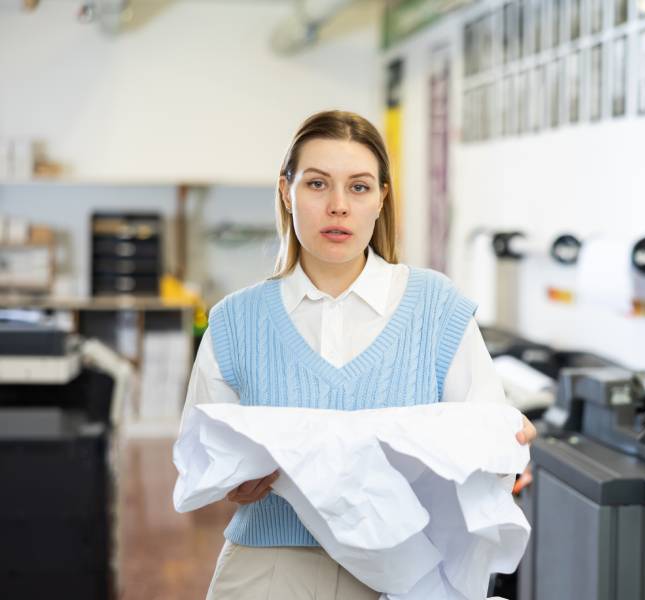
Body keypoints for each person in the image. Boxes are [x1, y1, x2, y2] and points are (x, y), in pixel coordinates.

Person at [179, 109, 536, 600]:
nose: (339, 206)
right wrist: (234, 481)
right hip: (274, 567)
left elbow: (488, 443)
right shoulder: (234, 322)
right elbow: (206, 456)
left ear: (382, 197)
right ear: (287, 191)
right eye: (318, 184)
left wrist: (504, 444)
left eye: (360, 187)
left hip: (409, 572)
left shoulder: (435, 308)